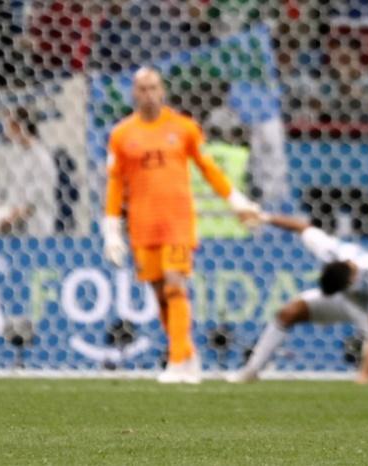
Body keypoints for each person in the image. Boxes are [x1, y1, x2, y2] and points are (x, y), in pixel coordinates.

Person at [103, 67, 260, 384]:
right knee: (160, 293)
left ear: (163, 91)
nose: (148, 94)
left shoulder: (185, 128)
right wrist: (111, 227)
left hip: (177, 221)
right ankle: (187, 354)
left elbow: (208, 167)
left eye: (153, 87)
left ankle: (176, 363)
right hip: (142, 225)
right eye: (142, 88)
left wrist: (236, 201)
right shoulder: (121, 135)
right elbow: (116, 184)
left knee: (175, 284)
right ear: (134, 93)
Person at [228, 213, 368, 384]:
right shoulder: (332, 251)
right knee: (288, 312)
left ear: (351, 282)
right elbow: (302, 227)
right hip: (345, 300)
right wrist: (263, 217)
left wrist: (366, 371)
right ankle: (251, 371)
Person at [0, 106, 57, 236]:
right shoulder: (16, 158)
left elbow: (31, 205)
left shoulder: (42, 158)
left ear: (19, 126)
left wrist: (1, 223)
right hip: (15, 234)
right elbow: (8, 198)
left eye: (10, 127)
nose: (7, 132)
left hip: (37, 232)